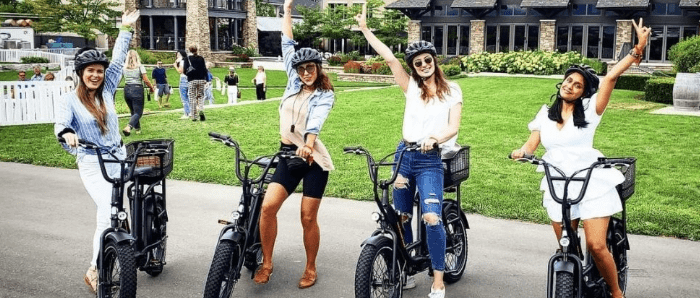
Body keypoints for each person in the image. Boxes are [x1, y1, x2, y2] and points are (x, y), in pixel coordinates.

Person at [510, 18, 650, 298]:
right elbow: (531, 146)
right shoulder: (544, 115)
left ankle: (616, 292)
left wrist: (638, 49)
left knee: (596, 246)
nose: (571, 86)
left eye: (578, 85)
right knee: (567, 245)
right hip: (558, 182)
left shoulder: (591, 109)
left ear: (584, 92)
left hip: (590, 181)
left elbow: (610, 78)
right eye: (569, 81)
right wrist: (522, 153)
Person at [355, 4, 464, 298]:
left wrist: (435, 137)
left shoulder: (452, 90)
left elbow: (453, 127)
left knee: (431, 217)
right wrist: (366, 29)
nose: (423, 65)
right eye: (417, 63)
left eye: (427, 60)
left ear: (434, 61)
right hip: (404, 156)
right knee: (400, 214)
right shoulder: (411, 88)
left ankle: (438, 280)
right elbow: (389, 58)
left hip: (429, 159)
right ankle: (407, 267)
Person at [52, 10, 139, 294]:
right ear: (80, 74)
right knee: (107, 210)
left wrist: (125, 29)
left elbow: (117, 60)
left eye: (99, 72)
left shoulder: (107, 89)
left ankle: (118, 254)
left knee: (118, 210)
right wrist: (67, 135)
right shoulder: (70, 101)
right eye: (90, 71)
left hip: (118, 157)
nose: (96, 75)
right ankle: (94, 269)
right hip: (91, 162)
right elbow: (61, 125)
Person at [254, 0, 336, 289]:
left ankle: (311, 267)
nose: (305, 73)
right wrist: (287, 9)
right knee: (267, 208)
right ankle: (267, 263)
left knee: (307, 216)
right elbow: (286, 42)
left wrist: (308, 144)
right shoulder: (293, 83)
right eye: (301, 69)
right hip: (288, 154)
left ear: (318, 68)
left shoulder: (325, 94)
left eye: (310, 68)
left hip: (313, 159)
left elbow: (316, 119)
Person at [121, 49, 155, 135]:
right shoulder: (140, 67)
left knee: (133, 110)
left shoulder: (124, 68)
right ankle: (128, 127)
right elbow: (146, 80)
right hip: (137, 89)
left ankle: (137, 129)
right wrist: (151, 88)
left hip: (127, 89)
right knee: (138, 112)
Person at [183, 45, 208, 121]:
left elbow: (184, 70)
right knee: (200, 96)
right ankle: (200, 109)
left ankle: (194, 115)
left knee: (192, 97)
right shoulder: (201, 58)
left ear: (189, 50)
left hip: (192, 80)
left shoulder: (187, 59)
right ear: (197, 50)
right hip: (201, 79)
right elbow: (205, 69)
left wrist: (188, 75)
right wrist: (205, 79)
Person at [174, 50, 191, 119]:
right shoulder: (189, 61)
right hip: (190, 79)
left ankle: (187, 113)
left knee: (184, 98)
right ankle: (191, 112)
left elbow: (180, 71)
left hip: (184, 79)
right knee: (190, 97)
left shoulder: (182, 61)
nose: (177, 56)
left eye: (178, 55)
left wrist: (175, 65)